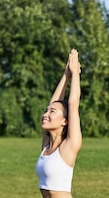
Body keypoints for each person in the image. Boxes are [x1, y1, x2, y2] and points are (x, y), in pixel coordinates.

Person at [36, 49, 82, 198]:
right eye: (45, 111)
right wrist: (65, 75)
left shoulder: (69, 146)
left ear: (65, 121)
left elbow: (73, 103)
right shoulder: (47, 146)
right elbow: (53, 103)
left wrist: (75, 74)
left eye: (51, 112)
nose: (45, 115)